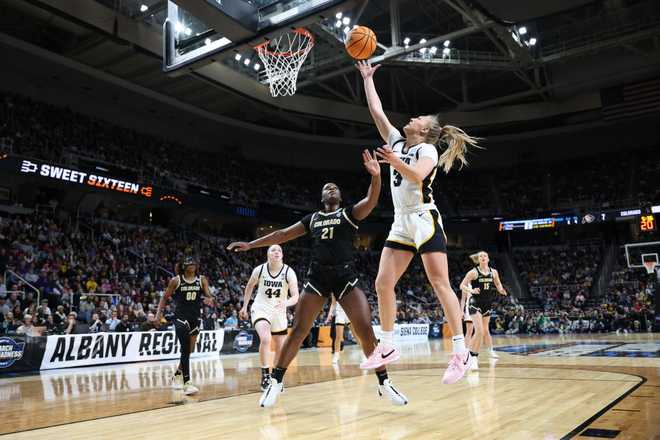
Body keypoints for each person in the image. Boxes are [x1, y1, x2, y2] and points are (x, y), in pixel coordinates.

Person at [228, 150, 408, 408]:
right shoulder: (312, 219)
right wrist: (251, 245)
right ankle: (276, 382)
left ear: (340, 196)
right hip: (318, 277)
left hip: (345, 276)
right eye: (327, 188)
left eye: (335, 187)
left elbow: (371, 200)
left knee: (365, 329)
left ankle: (384, 382)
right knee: (299, 331)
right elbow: (280, 234)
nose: (331, 189)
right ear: (322, 197)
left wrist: (377, 177)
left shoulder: (349, 214)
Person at [356, 60, 481, 384]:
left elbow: (418, 174)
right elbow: (376, 111)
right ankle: (387, 345)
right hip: (401, 221)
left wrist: (395, 162)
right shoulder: (397, 141)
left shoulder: (426, 149)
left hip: (424, 218)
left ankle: (460, 352)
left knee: (440, 283)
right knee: (383, 283)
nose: (412, 118)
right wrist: (368, 79)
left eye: (419, 119)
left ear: (424, 130)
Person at [240, 245, 300, 391]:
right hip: (261, 308)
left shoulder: (288, 272)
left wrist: (285, 302)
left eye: (279, 250)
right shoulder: (259, 270)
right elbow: (249, 286)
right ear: (268, 255)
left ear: (282, 255)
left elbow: (296, 296)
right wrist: (244, 306)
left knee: (281, 345)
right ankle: (265, 375)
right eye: (273, 250)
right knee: (266, 338)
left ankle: (275, 376)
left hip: (279, 311)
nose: (277, 252)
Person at [156, 256, 215, 395]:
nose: (192, 265)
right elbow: (165, 297)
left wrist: (210, 299)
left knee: (190, 350)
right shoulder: (176, 280)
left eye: (194, 263)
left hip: (195, 318)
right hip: (181, 318)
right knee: (185, 349)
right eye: (188, 263)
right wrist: (159, 314)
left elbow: (209, 296)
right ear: (183, 266)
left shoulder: (202, 280)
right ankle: (187, 383)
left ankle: (177, 374)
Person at [460, 251, 507, 370]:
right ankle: (470, 357)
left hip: (488, 304)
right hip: (475, 303)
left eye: (485, 255)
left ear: (488, 259)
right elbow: (462, 286)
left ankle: (474, 357)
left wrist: (501, 290)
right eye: (480, 256)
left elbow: (498, 284)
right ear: (478, 260)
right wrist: (471, 291)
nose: (483, 257)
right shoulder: (473, 272)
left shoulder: (494, 272)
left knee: (484, 331)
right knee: (479, 331)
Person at [325, 296, 351, 364]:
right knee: (338, 336)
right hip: (339, 311)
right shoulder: (334, 289)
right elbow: (333, 303)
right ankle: (336, 355)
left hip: (350, 310)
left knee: (356, 335)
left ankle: (366, 352)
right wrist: (329, 314)